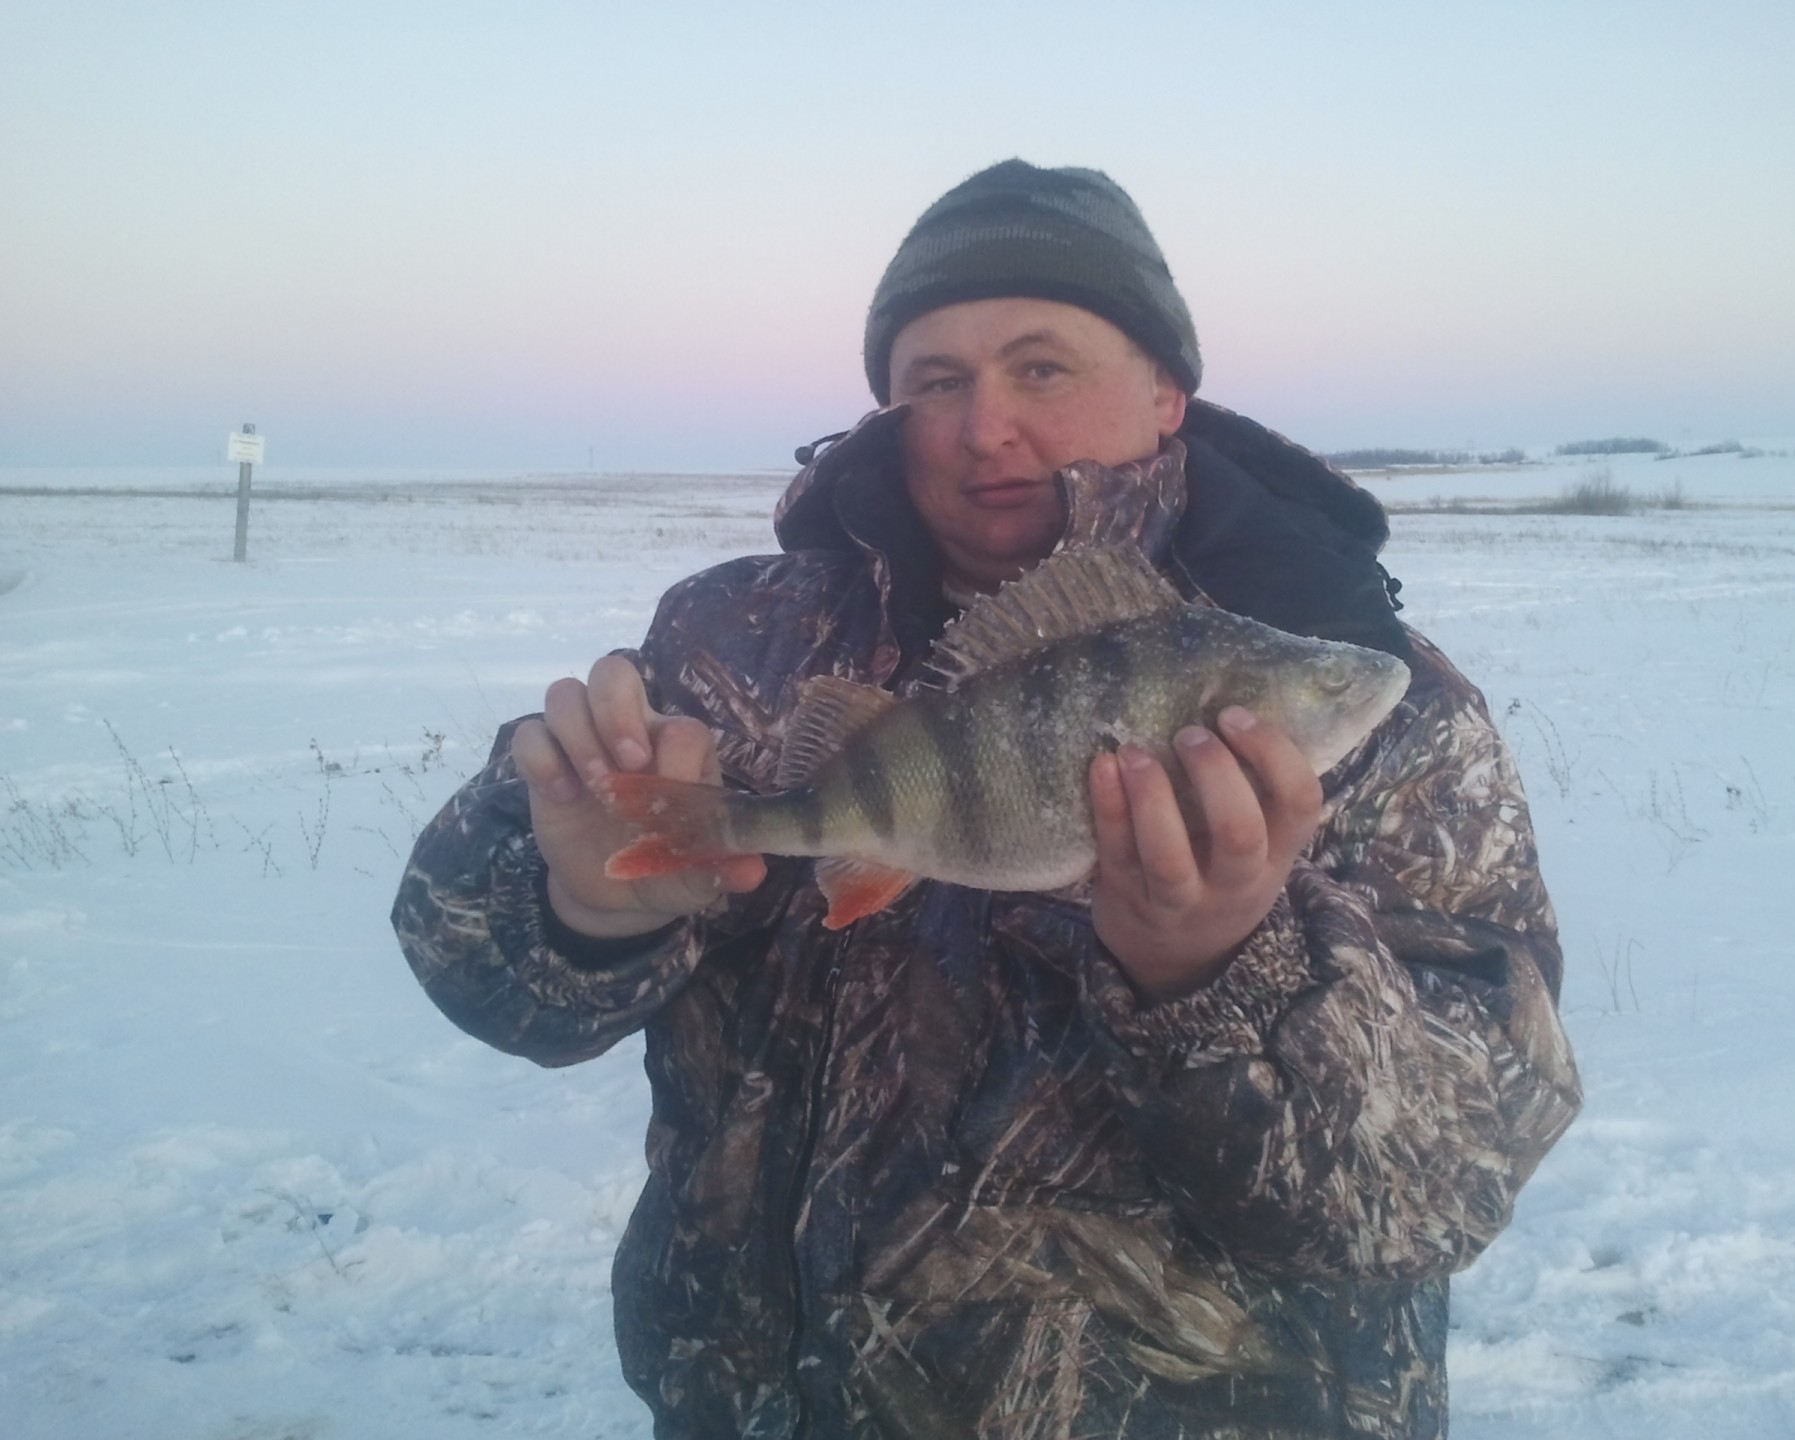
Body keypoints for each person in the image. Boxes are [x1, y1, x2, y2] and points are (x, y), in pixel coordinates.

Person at [393, 160, 1581, 1439]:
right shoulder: (726, 638)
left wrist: (1222, 971)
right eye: (934, 381)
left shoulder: (1381, 703)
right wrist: (582, 914)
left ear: (1169, 392)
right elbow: (477, 963)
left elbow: (1437, 1189)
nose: (984, 427)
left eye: (1043, 367)